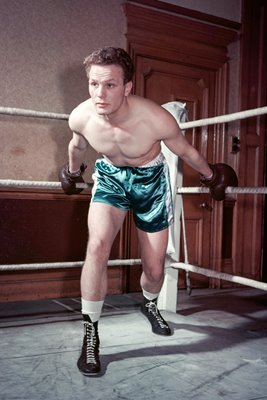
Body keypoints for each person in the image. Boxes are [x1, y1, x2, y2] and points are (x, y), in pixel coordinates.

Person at [59, 47, 238, 376]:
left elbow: (184, 150)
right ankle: (91, 333)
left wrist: (213, 177)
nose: (100, 94)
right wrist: (72, 173)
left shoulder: (155, 118)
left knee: (154, 270)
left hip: (151, 183)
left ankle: (150, 304)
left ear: (127, 86)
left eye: (110, 85)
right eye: (93, 84)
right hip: (111, 179)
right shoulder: (81, 116)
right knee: (97, 245)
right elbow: (78, 146)